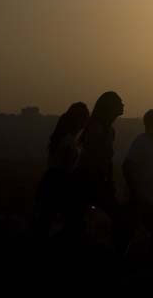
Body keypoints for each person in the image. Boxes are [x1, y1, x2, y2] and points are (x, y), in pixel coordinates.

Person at [65, 91, 125, 247]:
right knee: (75, 226)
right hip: (86, 180)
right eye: (119, 103)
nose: (123, 105)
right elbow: (94, 158)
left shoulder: (110, 131)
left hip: (98, 181)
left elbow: (107, 160)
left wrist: (109, 180)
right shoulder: (96, 128)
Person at [33, 102, 89, 239]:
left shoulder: (64, 139)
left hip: (53, 181)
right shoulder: (68, 142)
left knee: (46, 222)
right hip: (59, 183)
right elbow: (66, 167)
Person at [122, 108, 153, 264]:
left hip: (146, 196)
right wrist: (135, 193)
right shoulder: (141, 141)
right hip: (138, 197)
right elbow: (127, 166)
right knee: (131, 232)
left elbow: (145, 168)